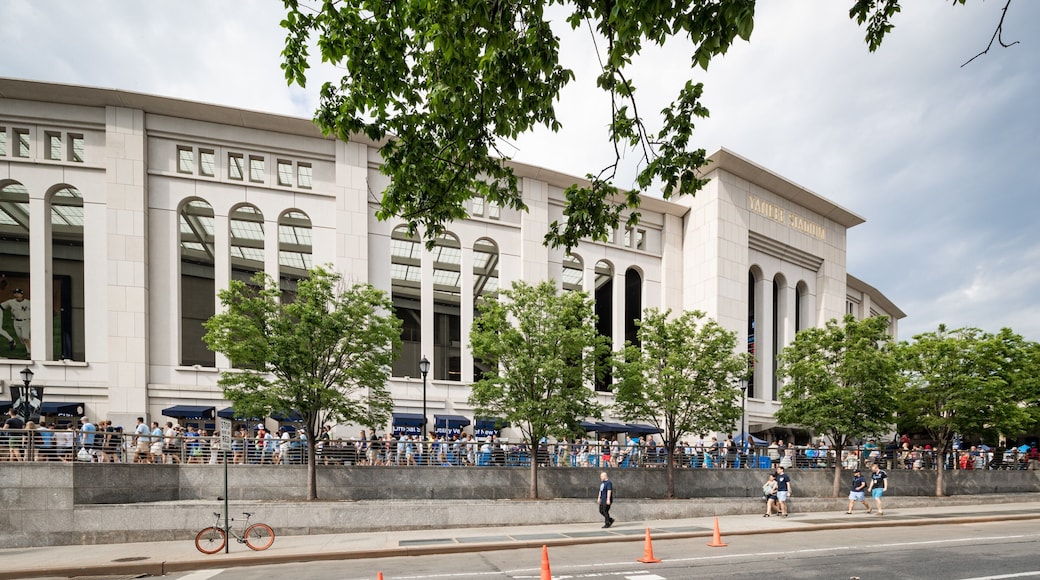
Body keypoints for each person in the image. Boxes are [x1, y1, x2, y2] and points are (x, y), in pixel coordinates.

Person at [0, 288, 31, 356]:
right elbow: (1, 306)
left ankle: (29, 353)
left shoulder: (28, 302)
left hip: (26, 321)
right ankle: (31, 347)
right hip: (16, 322)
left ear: (22, 294)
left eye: (18, 293)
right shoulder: (11, 302)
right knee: (22, 339)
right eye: (15, 293)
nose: (17, 295)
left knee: (25, 336)